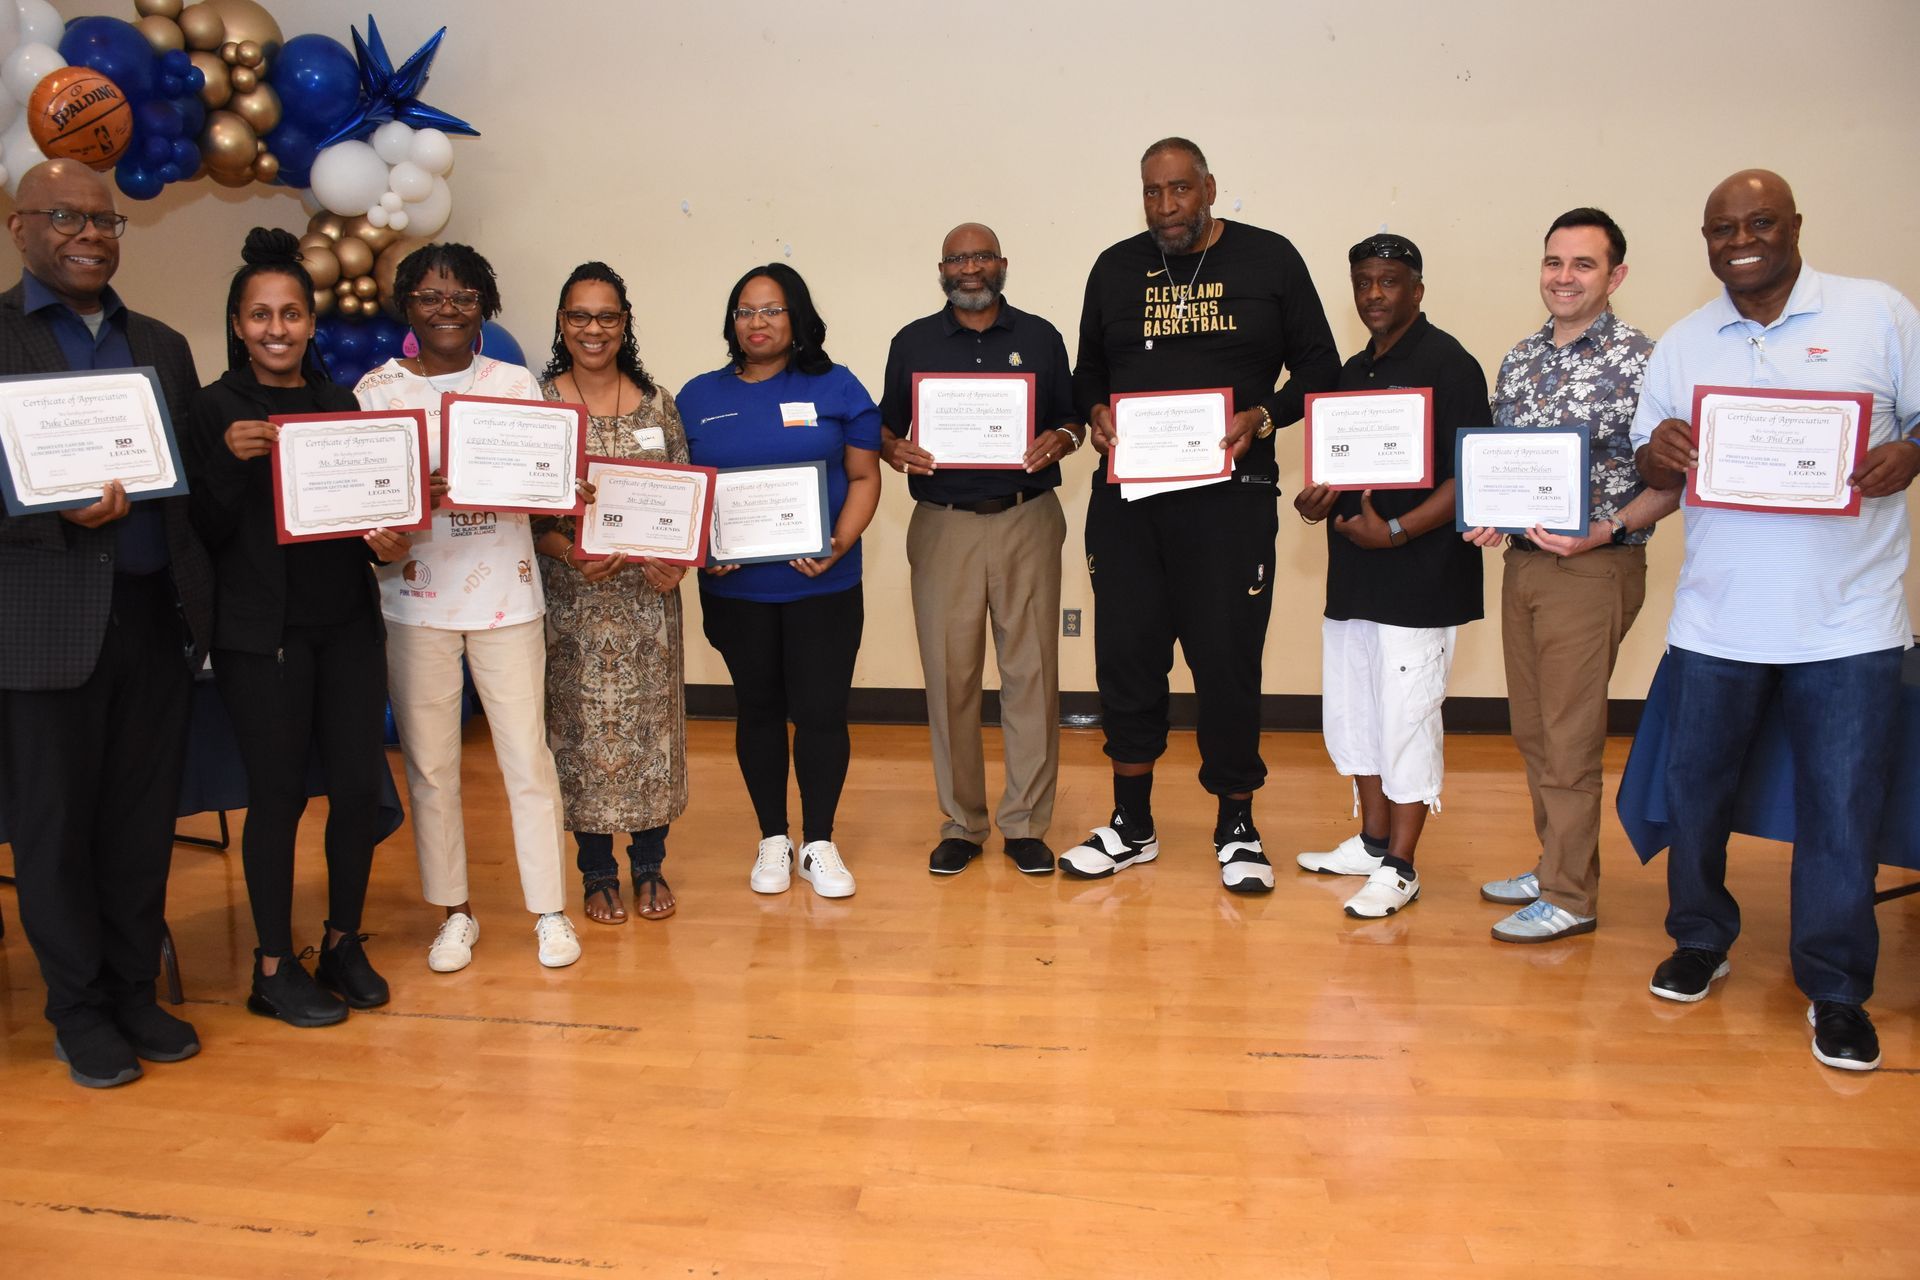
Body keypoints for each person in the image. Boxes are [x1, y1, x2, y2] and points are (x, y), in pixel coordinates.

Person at [1632, 169, 1920, 1072]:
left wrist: (1910, 451)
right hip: (1718, 621)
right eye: (1723, 228)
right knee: (1698, 797)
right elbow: (1651, 455)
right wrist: (1660, 450)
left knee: (1842, 810)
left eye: (1760, 222)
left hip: (1850, 624)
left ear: (1795, 225)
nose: (1741, 239)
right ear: (1706, 240)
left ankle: (1835, 989)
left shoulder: (1875, 313)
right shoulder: (1684, 343)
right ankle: (1700, 939)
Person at [1063, 137, 1338, 892]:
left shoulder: (1269, 260)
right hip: (1128, 505)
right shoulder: (1115, 268)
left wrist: (1264, 415)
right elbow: (1089, 368)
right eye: (1152, 192)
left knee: (1225, 661)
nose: (1165, 207)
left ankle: (1237, 824)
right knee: (1126, 658)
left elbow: (1319, 365)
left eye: (1179, 190)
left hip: (1231, 503)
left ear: (1210, 188)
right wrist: (1091, 409)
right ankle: (1132, 823)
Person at [0, 159, 212, 1087]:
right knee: (55, 830)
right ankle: (77, 1009)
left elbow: (189, 494)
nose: (90, 235)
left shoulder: (161, 346)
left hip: (153, 619)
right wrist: (49, 509)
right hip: (43, 627)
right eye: (65, 218)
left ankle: (134, 992)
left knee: (138, 822)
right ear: (19, 228)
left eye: (106, 220)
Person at [184, 228, 405, 1025]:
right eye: (259, 316)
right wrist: (223, 463)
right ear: (238, 324)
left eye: (290, 314)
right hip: (260, 640)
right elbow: (198, 533)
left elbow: (358, 522)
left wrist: (387, 540)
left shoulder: (335, 403)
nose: (276, 330)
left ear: (311, 323)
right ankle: (272, 968)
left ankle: (342, 941)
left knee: (354, 792)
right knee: (276, 801)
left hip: (346, 627)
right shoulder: (213, 408)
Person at [355, 244, 580, 972]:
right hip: (414, 604)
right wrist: (393, 516)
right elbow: (366, 505)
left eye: (462, 297)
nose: (447, 310)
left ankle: (549, 911)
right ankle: (454, 912)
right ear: (407, 307)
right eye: (430, 297)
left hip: (508, 594)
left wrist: (565, 491)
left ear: (483, 305)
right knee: (430, 767)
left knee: (527, 758)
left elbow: (545, 482)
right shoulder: (376, 392)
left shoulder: (513, 385)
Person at [1463, 208, 1674, 943]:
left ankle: (1571, 895)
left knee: (1570, 734)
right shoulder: (1521, 358)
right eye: (1554, 262)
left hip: (1593, 569)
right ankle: (1554, 861)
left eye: (1583, 265)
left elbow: (1676, 477)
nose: (1564, 276)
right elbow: (1499, 462)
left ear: (1614, 276)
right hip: (1522, 565)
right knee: (1531, 729)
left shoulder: (1645, 361)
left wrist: (1607, 528)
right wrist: (1485, 513)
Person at [879, 223, 1081, 877]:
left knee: (1030, 674)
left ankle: (1024, 824)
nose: (971, 268)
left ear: (1002, 263)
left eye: (983, 256)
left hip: (1027, 519)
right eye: (959, 257)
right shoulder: (912, 342)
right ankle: (962, 823)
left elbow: (1072, 416)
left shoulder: (1040, 337)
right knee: (950, 677)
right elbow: (885, 425)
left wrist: (1065, 438)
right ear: (942, 268)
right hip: (943, 525)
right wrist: (892, 447)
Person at [1292, 235, 1485, 918]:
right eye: (1364, 282)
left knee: (1407, 717)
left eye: (1391, 282)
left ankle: (1402, 867)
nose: (1375, 295)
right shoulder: (1350, 372)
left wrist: (1398, 530)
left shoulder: (1449, 363)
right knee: (1356, 713)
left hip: (1422, 575)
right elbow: (1340, 469)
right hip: (1354, 575)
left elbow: (1470, 477)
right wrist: (1320, 500)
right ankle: (1374, 843)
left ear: (1418, 290)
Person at [677, 264, 881, 898]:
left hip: (824, 586)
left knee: (821, 712)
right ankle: (773, 838)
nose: (756, 322)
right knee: (758, 710)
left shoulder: (838, 386)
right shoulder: (696, 398)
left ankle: (818, 841)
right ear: (731, 322)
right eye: (745, 310)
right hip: (738, 593)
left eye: (770, 310)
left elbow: (867, 477)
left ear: (796, 319)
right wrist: (700, 548)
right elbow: (680, 492)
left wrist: (839, 541)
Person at [531, 262, 690, 924]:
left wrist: (676, 564)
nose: (593, 330)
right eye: (579, 316)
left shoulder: (659, 402)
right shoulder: (538, 406)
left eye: (607, 317)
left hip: (648, 605)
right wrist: (567, 551)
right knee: (580, 736)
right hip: (574, 605)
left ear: (626, 324)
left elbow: (686, 494)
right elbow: (527, 512)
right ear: (562, 325)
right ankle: (596, 872)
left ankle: (650, 864)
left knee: (649, 734)